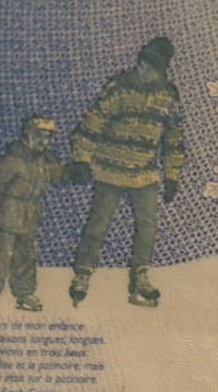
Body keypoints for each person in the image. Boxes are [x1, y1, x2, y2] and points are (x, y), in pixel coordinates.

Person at [69, 36, 185, 308]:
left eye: (151, 68)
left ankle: (140, 275)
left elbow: (173, 138)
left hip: (145, 174)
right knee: (98, 224)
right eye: (142, 64)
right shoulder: (119, 87)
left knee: (148, 227)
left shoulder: (168, 96)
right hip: (110, 169)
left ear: (161, 70)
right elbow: (93, 121)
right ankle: (83, 272)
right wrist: (82, 158)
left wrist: (172, 175)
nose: (144, 71)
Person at [0, 114, 91, 314]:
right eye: (40, 136)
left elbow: (58, 174)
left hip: (29, 215)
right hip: (6, 214)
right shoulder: (13, 160)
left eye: (48, 137)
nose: (44, 141)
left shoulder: (46, 161)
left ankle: (24, 294)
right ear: (29, 135)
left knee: (25, 257)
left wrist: (75, 173)